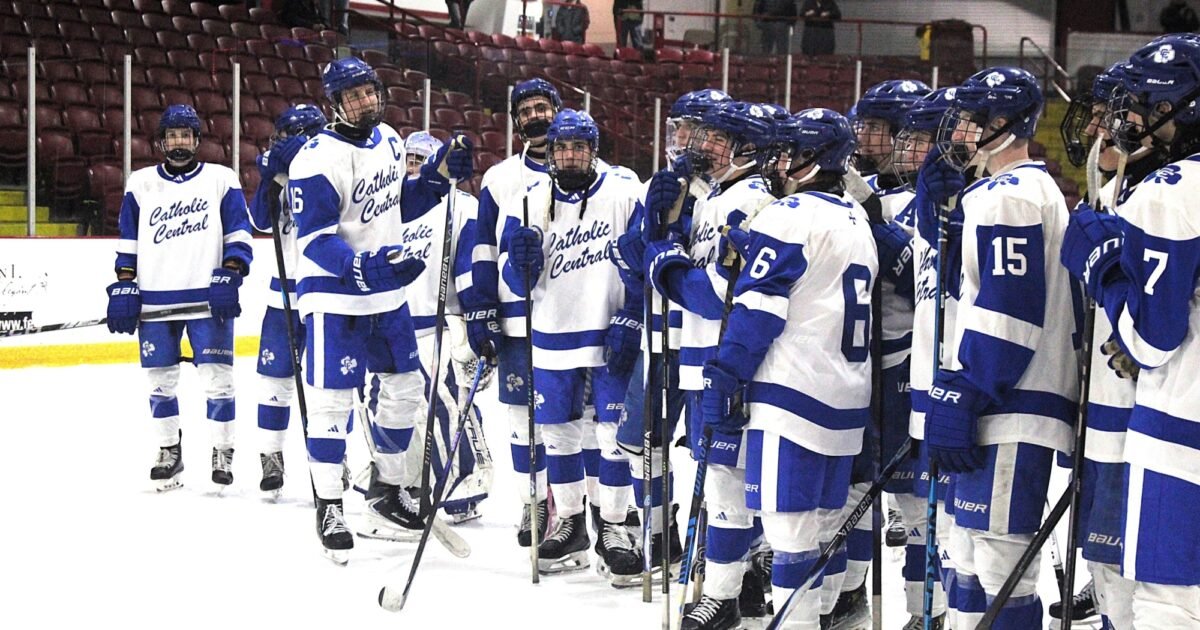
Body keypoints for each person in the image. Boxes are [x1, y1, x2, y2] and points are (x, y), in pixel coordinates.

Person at [287, 56, 473, 564]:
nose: (367, 101)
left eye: (370, 91)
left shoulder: (390, 139)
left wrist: (432, 183)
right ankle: (328, 504)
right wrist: (364, 267)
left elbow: (394, 206)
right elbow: (316, 241)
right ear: (335, 103)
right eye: (355, 96)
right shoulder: (314, 159)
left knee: (405, 391)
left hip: (386, 296)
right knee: (331, 405)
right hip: (334, 298)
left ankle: (387, 490)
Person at [698, 107, 873, 630]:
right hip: (845, 400)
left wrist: (726, 373)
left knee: (789, 536)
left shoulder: (787, 214)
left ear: (816, 158)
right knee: (821, 529)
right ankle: (819, 620)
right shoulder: (856, 217)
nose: (780, 161)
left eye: (791, 151)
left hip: (790, 397)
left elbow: (760, 310)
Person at [927, 66, 1078, 629]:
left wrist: (968, 392)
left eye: (969, 121)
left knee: (1000, 564)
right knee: (967, 558)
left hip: (1014, 405)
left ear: (1002, 125)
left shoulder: (1011, 195)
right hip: (1005, 403)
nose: (959, 132)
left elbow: (1011, 309)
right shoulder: (1007, 191)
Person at [1061, 34, 1200, 628]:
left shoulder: (1174, 190)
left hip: (1180, 429)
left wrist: (1102, 265)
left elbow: (1149, 341)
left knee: (1169, 604)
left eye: (1141, 104)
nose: (1124, 120)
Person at [645, 101, 779, 628]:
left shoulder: (750, 201)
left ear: (747, 146)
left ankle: (724, 593)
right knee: (724, 477)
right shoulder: (715, 197)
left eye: (716, 137)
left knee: (729, 478)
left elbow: (720, 295)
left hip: (728, 361)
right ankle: (739, 583)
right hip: (703, 357)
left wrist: (665, 268)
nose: (700, 145)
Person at [502, 109, 645, 577]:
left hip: (609, 330)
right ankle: (569, 522)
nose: (569, 155)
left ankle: (616, 525)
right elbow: (513, 275)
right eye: (562, 147)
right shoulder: (529, 199)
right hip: (551, 332)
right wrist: (517, 264)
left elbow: (645, 260)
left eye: (578, 147)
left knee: (612, 436)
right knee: (559, 434)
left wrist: (633, 314)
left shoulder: (624, 191)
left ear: (593, 149)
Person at [107, 103, 253, 493]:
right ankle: (169, 450)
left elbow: (239, 233)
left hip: (209, 297)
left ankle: (223, 451)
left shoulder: (222, 179)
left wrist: (232, 272)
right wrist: (124, 283)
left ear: (197, 140)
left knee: (218, 380)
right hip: (155, 302)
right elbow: (129, 239)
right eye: (172, 136)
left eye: (185, 135)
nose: (179, 142)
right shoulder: (140, 183)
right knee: (159, 382)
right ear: (161, 142)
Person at [364, 129, 493, 525]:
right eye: (409, 159)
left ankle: (458, 486)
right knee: (390, 406)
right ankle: (395, 485)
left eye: (423, 160)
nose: (413, 166)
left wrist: (476, 323)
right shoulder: (385, 208)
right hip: (390, 323)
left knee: (445, 409)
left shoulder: (461, 205)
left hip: (437, 326)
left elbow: (469, 267)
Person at [886, 87, 962, 629]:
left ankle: (944, 611)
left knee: (962, 520)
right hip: (916, 371)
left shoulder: (974, 197)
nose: (907, 146)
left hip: (961, 378)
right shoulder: (917, 196)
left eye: (919, 137)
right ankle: (924, 610)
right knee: (922, 504)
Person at [247, 103, 327, 498]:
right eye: (280, 138)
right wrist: (271, 180)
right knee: (272, 380)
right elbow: (260, 222)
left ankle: (334, 460)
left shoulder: (331, 172)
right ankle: (271, 456)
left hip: (327, 295)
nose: (281, 144)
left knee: (330, 389)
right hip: (283, 296)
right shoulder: (278, 172)